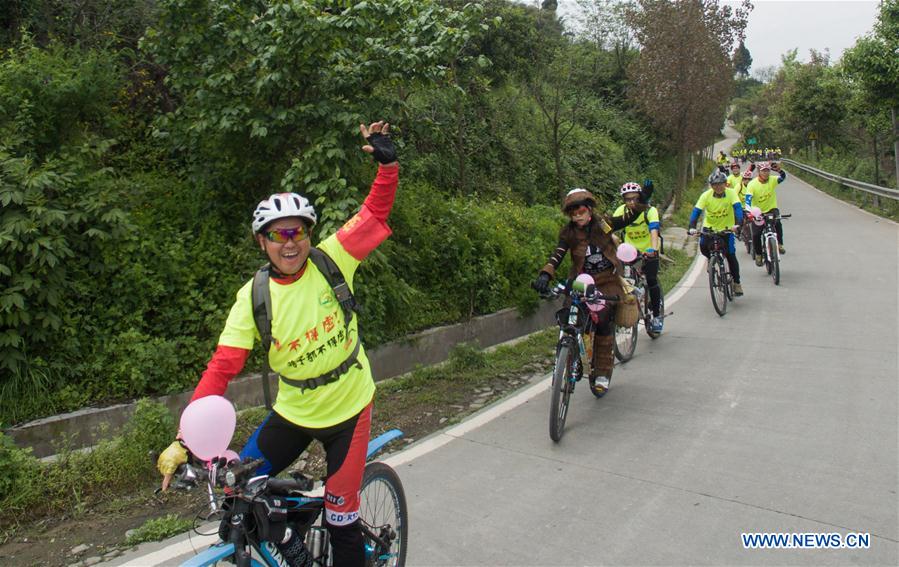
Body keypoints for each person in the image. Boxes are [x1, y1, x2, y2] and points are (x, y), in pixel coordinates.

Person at [157, 120, 399, 567]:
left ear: (308, 234)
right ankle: (293, 544)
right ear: (262, 241)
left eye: (297, 232)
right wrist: (184, 439)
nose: (289, 243)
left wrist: (387, 165)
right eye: (277, 234)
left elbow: (375, 213)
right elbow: (221, 368)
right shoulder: (254, 297)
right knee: (236, 498)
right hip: (295, 412)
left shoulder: (333, 258)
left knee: (342, 520)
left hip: (350, 409)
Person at [533, 182, 653, 395]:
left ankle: (602, 374)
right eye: (573, 213)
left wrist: (642, 200)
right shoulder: (568, 233)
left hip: (607, 281)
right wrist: (545, 274)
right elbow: (558, 254)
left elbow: (627, 218)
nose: (577, 216)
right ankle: (570, 354)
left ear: (589, 209)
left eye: (581, 211)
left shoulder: (603, 224)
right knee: (570, 314)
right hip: (581, 281)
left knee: (604, 321)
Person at [613, 182, 664, 333]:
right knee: (622, 282)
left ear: (640, 197)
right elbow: (611, 229)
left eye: (634, 198)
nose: (631, 202)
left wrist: (653, 250)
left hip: (648, 249)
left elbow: (654, 231)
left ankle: (656, 316)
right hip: (628, 250)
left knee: (651, 279)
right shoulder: (621, 211)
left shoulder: (649, 211)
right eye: (627, 199)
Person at [688, 170, 744, 296]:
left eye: (720, 184)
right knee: (703, 246)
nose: (718, 187)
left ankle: (737, 283)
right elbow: (696, 211)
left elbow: (738, 209)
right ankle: (711, 259)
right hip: (710, 229)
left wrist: (739, 224)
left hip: (727, 229)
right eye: (715, 184)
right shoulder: (706, 196)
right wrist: (691, 226)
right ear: (711, 186)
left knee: (730, 255)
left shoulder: (731, 194)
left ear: (725, 184)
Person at [746, 160, 787, 266]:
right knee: (756, 234)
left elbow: (783, 177)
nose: (766, 173)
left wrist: (779, 170)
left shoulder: (772, 180)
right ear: (759, 171)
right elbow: (748, 200)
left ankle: (780, 244)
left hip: (771, 209)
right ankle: (759, 255)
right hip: (757, 211)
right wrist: (749, 212)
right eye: (763, 171)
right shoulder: (752, 184)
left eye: (768, 171)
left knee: (778, 222)